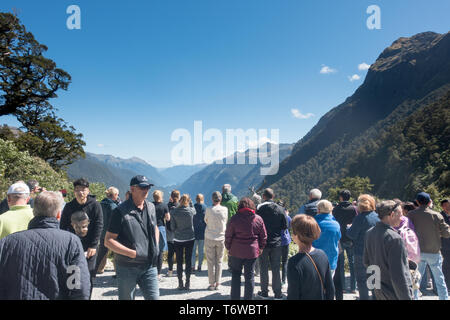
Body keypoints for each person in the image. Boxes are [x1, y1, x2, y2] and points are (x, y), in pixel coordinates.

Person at [0, 191, 90, 299]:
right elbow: (78, 286)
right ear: (58, 214)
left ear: (34, 212)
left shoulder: (7, 242)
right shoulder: (71, 242)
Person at [104, 175, 160, 300]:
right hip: (127, 267)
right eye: (142, 187)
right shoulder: (119, 212)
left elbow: (155, 227)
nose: (146, 190)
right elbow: (108, 240)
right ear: (132, 189)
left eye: (148, 187)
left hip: (149, 266)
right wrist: (132, 253)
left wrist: (155, 245)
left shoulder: (151, 207)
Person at [364, 200, 414, 300]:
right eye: (400, 215)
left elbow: (367, 262)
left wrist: (376, 288)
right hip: (394, 292)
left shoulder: (369, 233)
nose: (402, 218)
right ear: (391, 214)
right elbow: (398, 275)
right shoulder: (394, 238)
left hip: (379, 290)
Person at [408, 192, 450, 300]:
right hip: (434, 251)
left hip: (417, 251)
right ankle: (444, 298)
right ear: (429, 202)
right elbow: (447, 233)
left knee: (416, 278)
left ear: (417, 202)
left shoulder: (411, 215)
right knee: (439, 279)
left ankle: (415, 298)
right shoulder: (436, 215)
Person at [60, 178, 103, 283]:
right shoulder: (69, 207)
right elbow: (63, 226)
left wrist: (93, 245)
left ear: (88, 191)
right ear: (74, 191)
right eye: (77, 189)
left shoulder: (95, 205)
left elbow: (99, 225)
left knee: (88, 276)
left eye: (83, 189)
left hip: (89, 246)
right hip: (73, 246)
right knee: (73, 276)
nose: (80, 192)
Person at [225, 198, 267, 300]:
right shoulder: (258, 219)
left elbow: (228, 235)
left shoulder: (234, 219)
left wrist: (228, 247)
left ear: (240, 207)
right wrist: (261, 247)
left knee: (235, 275)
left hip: (236, 251)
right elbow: (264, 236)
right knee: (249, 276)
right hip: (251, 252)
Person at [287, 214, 335, 300]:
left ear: (297, 235)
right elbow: (330, 287)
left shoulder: (294, 262)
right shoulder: (322, 254)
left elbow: (293, 294)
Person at [256, 188, 288, 300]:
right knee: (275, 267)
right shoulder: (281, 209)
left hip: (263, 243)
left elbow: (255, 223)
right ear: (273, 196)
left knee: (263, 267)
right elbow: (285, 226)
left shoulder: (259, 208)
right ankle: (278, 294)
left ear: (264, 196)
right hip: (276, 243)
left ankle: (264, 292)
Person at [347, 194, 380, 300]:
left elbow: (351, 235)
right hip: (375, 253)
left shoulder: (359, 218)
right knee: (374, 280)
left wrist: (349, 228)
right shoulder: (377, 217)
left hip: (360, 252)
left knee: (362, 280)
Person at [332, 189, 357, 295]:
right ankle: (353, 288)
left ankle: (341, 287)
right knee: (352, 263)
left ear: (341, 197)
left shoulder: (336, 208)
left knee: (340, 264)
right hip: (351, 238)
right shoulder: (354, 208)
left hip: (340, 239)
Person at [170, 194, 196, 290]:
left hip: (178, 238)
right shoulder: (190, 211)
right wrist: (191, 202)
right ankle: (188, 283)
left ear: (180, 200)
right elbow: (194, 209)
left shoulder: (174, 212)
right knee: (188, 261)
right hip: (190, 238)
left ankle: (180, 283)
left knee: (179, 261)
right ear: (188, 201)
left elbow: (172, 227)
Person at [204, 191, 228, 290]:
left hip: (210, 236)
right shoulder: (225, 209)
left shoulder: (209, 209)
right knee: (219, 261)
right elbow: (225, 220)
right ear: (220, 199)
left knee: (210, 261)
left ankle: (211, 284)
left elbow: (206, 220)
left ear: (212, 199)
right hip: (221, 237)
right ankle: (218, 283)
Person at [70, 211, 97, 298]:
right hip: (74, 262)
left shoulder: (92, 235)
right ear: (72, 224)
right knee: (73, 281)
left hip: (89, 255)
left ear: (88, 223)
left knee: (88, 279)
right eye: (77, 227)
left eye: (84, 227)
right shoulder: (70, 236)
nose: (81, 230)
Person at [313, 200, 341, 277]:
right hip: (331, 260)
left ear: (318, 210)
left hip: (315, 260)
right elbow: (338, 238)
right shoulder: (336, 224)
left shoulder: (313, 223)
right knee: (328, 285)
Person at [96, 186, 119, 275]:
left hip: (102, 231)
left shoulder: (101, 203)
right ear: (115, 195)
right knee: (116, 251)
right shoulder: (113, 207)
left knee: (102, 251)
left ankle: (99, 268)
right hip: (111, 232)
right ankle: (117, 270)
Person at [153, 190, 170, 278]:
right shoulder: (164, 206)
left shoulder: (151, 205)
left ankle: (151, 270)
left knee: (152, 250)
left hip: (152, 228)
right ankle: (158, 273)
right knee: (160, 252)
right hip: (161, 228)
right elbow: (168, 218)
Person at [166, 190, 180, 277]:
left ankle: (170, 271)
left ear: (171, 196)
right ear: (178, 197)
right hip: (178, 232)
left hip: (169, 232)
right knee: (179, 253)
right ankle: (179, 271)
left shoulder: (167, 206)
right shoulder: (180, 206)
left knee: (170, 253)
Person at [278, 200, 292, 286]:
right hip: (285, 240)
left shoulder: (275, 215)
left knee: (275, 261)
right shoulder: (287, 217)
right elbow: (290, 226)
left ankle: (276, 279)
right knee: (285, 261)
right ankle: (284, 280)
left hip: (276, 241)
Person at [192, 194, 207, 272]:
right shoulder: (205, 207)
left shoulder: (193, 207)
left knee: (193, 250)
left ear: (196, 199)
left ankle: (192, 266)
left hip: (194, 231)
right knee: (201, 250)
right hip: (202, 231)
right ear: (202, 199)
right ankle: (199, 266)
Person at [440, 199, 450, 294]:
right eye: (446, 205)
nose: (448, 207)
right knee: (447, 264)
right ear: (442, 206)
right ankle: (447, 285)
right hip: (445, 244)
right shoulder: (440, 216)